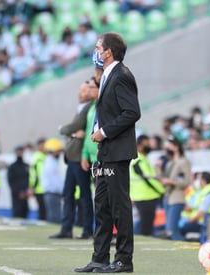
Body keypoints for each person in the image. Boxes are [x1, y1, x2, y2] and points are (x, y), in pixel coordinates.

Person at [75, 32, 141, 273]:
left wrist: (104, 131)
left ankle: (124, 259)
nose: (95, 51)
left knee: (119, 206)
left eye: (97, 47)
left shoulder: (122, 75)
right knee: (101, 205)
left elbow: (132, 112)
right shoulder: (107, 76)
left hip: (116, 151)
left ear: (108, 51)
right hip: (105, 152)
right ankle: (99, 258)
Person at [49, 82, 93, 239]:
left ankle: (87, 229)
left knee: (84, 195)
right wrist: (73, 134)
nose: (81, 93)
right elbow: (75, 131)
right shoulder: (82, 107)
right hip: (72, 157)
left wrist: (63, 129)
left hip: (81, 157)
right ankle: (66, 228)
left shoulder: (90, 108)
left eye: (85, 90)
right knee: (68, 194)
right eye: (80, 90)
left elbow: (74, 127)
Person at [158, 135, 192, 241]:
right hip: (167, 197)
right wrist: (158, 168)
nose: (167, 149)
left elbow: (186, 181)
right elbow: (162, 179)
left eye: (169, 146)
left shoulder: (183, 162)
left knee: (172, 229)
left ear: (176, 147)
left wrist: (171, 182)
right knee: (169, 229)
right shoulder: (170, 163)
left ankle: (184, 247)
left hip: (177, 197)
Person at [129, 134, 164, 236]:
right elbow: (148, 180)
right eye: (146, 144)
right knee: (146, 226)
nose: (149, 146)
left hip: (143, 195)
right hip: (146, 196)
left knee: (145, 225)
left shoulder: (140, 158)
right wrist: (161, 191)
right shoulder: (138, 160)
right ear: (139, 145)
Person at [179, 171, 210, 243]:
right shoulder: (202, 192)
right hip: (201, 221)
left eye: (198, 179)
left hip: (204, 223)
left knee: (182, 229)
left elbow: (201, 212)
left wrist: (191, 219)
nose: (197, 181)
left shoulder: (209, 193)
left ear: (203, 181)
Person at [41, 138, 64, 223]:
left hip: (52, 194)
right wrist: (64, 191)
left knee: (54, 216)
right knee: (55, 218)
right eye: (58, 151)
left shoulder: (51, 162)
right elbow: (55, 180)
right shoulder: (50, 163)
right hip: (52, 194)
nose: (59, 153)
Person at [7, 146, 30, 219]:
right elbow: (10, 181)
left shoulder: (26, 166)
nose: (20, 153)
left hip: (25, 194)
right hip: (16, 195)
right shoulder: (12, 167)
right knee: (17, 212)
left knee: (25, 212)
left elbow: (28, 179)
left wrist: (26, 191)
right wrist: (18, 192)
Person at [29, 138, 47, 221]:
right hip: (39, 188)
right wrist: (32, 186)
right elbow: (33, 173)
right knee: (42, 208)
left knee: (45, 208)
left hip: (45, 187)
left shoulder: (44, 157)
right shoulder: (37, 157)